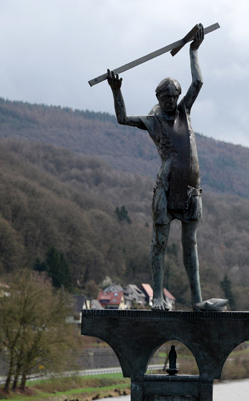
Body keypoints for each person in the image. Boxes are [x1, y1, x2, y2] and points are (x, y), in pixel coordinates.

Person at [106, 24, 205, 311]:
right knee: (159, 242)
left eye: (174, 97)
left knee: (191, 245)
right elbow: (123, 118)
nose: (171, 102)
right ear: (159, 99)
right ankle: (157, 295)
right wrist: (116, 90)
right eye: (165, 99)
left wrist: (194, 52)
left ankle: (197, 300)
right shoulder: (153, 120)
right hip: (166, 187)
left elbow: (198, 83)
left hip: (189, 190)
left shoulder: (184, 111)